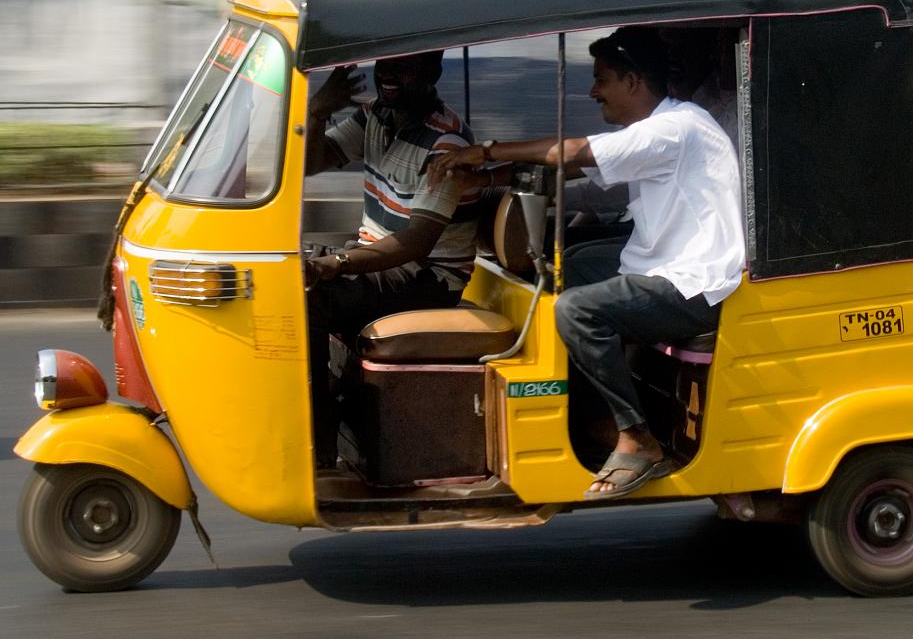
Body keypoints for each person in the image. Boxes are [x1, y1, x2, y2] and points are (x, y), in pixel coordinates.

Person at [428, 27, 744, 499]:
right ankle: (593, 414)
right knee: (570, 265)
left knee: (574, 309)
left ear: (633, 82)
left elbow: (572, 152)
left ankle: (638, 438)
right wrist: (497, 173)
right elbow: (587, 174)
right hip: (657, 260)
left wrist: (488, 151)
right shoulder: (660, 128)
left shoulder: (673, 128)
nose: (593, 91)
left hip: (692, 284)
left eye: (602, 80)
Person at [303, 50, 479, 467]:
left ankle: (319, 450)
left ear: (433, 72)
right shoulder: (376, 117)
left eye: (404, 64)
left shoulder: (446, 143)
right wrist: (316, 115)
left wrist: (339, 263)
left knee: (310, 301)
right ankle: (330, 402)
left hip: (430, 277)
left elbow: (416, 243)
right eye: (385, 63)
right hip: (383, 261)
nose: (388, 72)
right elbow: (312, 163)